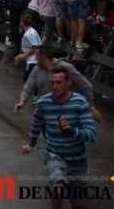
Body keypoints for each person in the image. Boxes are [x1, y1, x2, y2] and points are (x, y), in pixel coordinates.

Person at [21, 67, 96, 209]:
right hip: (54, 155)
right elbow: (36, 123)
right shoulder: (43, 103)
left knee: (77, 202)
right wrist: (31, 144)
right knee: (58, 186)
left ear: (68, 83)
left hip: (77, 160)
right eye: (52, 82)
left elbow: (91, 134)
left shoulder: (80, 103)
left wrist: (71, 131)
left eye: (59, 82)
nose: (55, 86)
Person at [14, 45, 103, 123]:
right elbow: (28, 87)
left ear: (43, 57)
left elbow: (86, 85)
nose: (35, 59)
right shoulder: (36, 69)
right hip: (45, 111)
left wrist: (92, 107)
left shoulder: (66, 68)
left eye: (36, 56)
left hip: (65, 112)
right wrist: (22, 102)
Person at [13, 13, 42, 82]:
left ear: (22, 22)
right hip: (33, 60)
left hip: (34, 60)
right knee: (29, 79)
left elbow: (34, 47)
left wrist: (23, 56)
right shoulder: (31, 31)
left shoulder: (29, 34)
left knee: (27, 78)